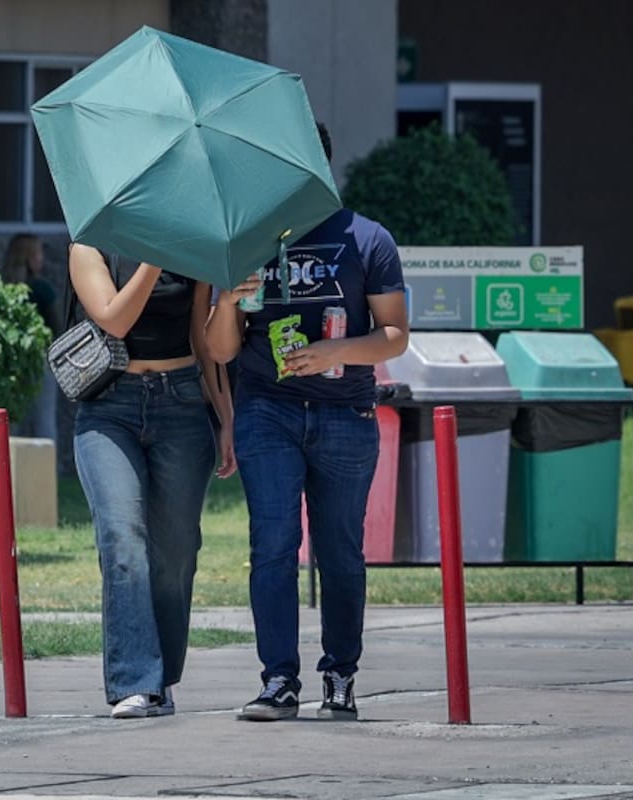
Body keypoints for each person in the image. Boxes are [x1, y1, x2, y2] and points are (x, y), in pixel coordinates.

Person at [205, 122, 409, 722]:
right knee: (272, 544)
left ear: (320, 165)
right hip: (266, 409)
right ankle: (278, 680)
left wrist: (335, 352)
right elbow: (220, 349)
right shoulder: (248, 241)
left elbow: (395, 336)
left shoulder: (367, 239)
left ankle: (340, 675)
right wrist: (226, 300)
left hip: (346, 410)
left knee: (340, 551)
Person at [68, 242, 235, 718]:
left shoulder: (190, 247)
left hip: (181, 402)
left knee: (176, 552)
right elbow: (114, 320)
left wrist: (225, 417)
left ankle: (161, 680)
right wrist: (154, 259)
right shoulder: (90, 244)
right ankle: (135, 681)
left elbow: (201, 340)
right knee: (123, 539)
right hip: (109, 408)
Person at [2, 233, 61, 441]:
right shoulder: (42, 289)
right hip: (41, 360)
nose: (41, 259)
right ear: (29, 258)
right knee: (44, 422)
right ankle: (45, 464)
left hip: (9, 362)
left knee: (10, 424)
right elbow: (57, 327)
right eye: (38, 254)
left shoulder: (2, 288)